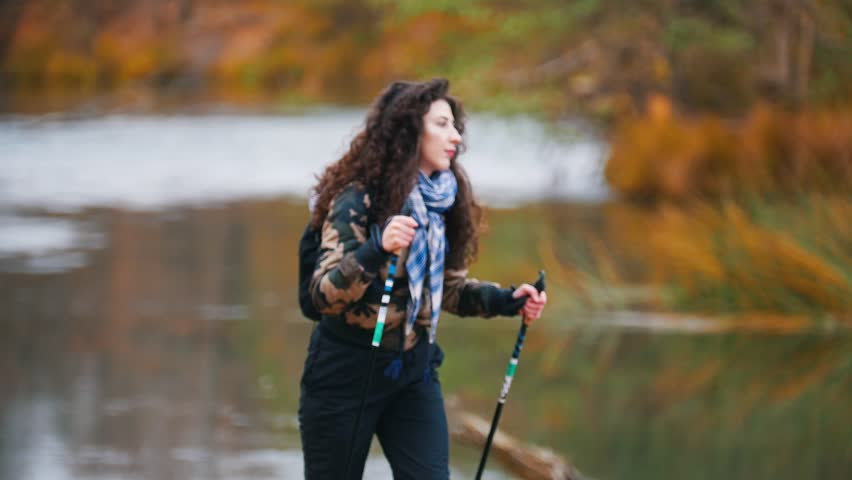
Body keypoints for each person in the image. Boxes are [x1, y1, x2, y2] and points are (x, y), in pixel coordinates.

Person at [299, 78, 547, 479]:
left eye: (455, 126)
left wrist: (508, 300)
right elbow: (322, 296)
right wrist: (376, 249)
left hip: (412, 370)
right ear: (409, 131)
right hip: (345, 373)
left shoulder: (446, 199)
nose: (456, 137)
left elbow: (448, 290)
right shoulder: (357, 199)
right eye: (442, 125)